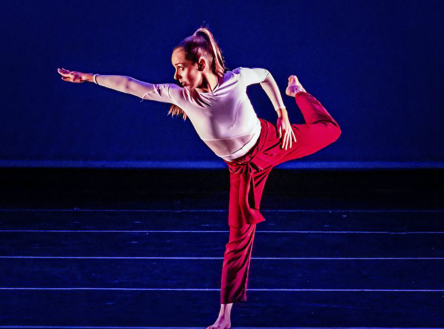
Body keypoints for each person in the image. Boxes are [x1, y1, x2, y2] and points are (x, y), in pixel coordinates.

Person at [57, 25, 341, 329]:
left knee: (331, 131)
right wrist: (89, 78)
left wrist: (283, 112)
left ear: (201, 64)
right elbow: (130, 85)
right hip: (242, 169)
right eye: (175, 69)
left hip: (271, 141)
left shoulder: (236, 79)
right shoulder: (180, 96)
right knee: (238, 237)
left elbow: (267, 76)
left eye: (181, 68)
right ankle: (224, 316)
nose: (177, 76)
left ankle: (300, 92)